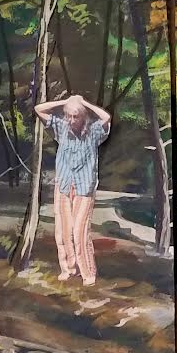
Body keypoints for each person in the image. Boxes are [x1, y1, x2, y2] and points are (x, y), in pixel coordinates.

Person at [34, 94, 111, 287]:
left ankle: (88, 272)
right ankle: (69, 268)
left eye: (75, 116)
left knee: (80, 232)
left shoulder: (93, 131)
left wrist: (83, 102)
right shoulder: (61, 127)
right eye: (68, 115)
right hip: (64, 184)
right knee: (63, 231)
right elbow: (38, 109)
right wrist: (66, 102)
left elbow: (106, 117)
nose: (71, 120)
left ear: (83, 116)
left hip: (84, 188)